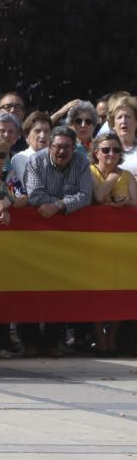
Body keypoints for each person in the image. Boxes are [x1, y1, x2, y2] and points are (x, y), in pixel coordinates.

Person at [22, 126, 92, 357]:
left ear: (74, 148)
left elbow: (85, 196)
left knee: (59, 287)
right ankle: (30, 340)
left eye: (66, 147)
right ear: (49, 146)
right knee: (30, 288)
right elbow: (35, 196)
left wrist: (58, 205)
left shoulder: (82, 162)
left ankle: (53, 341)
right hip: (35, 238)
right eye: (57, 146)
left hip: (66, 240)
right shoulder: (35, 162)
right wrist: (65, 203)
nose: (62, 151)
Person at [89, 131, 135, 356]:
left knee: (119, 290)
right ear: (96, 152)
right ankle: (99, 338)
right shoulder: (89, 172)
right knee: (96, 292)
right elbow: (97, 197)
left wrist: (125, 204)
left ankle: (112, 338)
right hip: (95, 245)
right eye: (106, 150)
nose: (111, 154)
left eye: (116, 150)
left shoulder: (128, 175)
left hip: (121, 245)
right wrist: (112, 179)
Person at [11, 111, 52, 181]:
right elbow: (30, 187)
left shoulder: (57, 157)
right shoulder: (20, 158)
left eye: (46, 131)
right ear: (27, 136)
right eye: (37, 131)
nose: (43, 136)